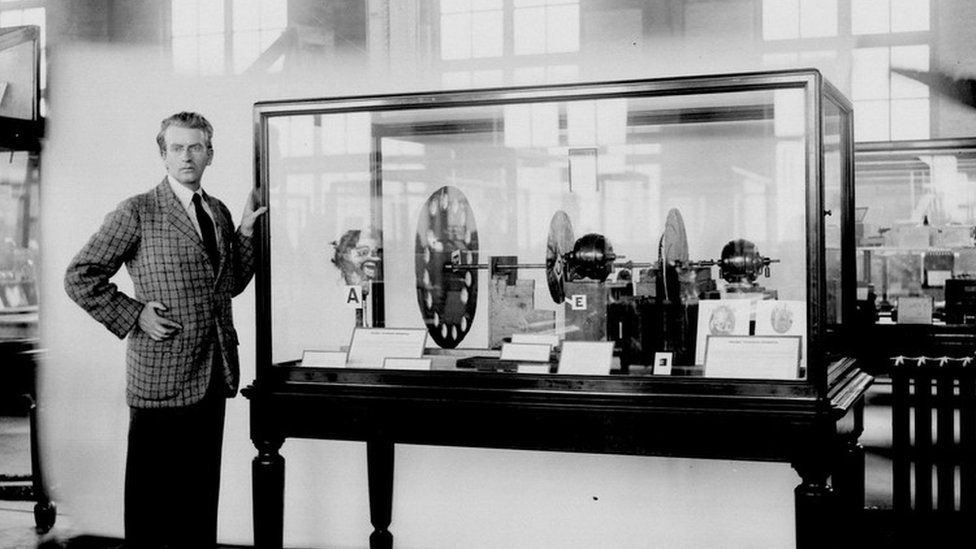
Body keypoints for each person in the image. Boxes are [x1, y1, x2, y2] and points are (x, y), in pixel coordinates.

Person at [64, 111, 266, 548]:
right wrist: (134, 314)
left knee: (198, 503)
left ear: (210, 154)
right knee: (153, 510)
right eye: (177, 148)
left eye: (196, 147)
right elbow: (80, 275)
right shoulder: (137, 210)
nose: (186, 156)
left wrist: (247, 234)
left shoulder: (218, 211)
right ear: (163, 155)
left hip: (213, 374)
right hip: (160, 378)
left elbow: (227, 287)